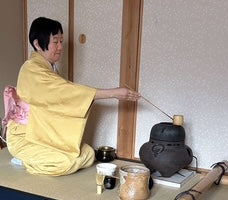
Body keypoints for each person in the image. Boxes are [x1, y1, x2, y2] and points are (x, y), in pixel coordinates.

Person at [5, 17, 139, 176]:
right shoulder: (31, 69)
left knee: (88, 153)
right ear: (37, 44)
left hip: (42, 134)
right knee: (65, 162)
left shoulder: (49, 69)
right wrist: (113, 93)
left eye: (61, 41)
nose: (60, 47)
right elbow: (66, 93)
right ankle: (25, 160)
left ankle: (36, 158)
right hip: (25, 137)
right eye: (55, 41)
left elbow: (63, 98)